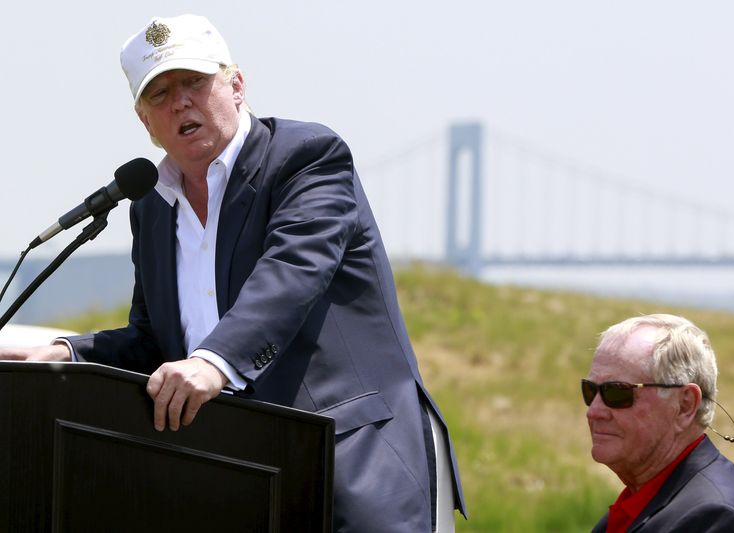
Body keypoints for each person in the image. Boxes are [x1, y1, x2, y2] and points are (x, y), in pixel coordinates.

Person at [0, 14, 465, 532]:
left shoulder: (306, 157)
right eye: (159, 93)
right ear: (144, 123)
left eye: (195, 82)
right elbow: (156, 340)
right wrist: (64, 354)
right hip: (238, 477)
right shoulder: (150, 209)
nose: (180, 102)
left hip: (355, 466)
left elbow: (293, 271)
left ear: (237, 85)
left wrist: (214, 363)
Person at [583, 314, 734, 532]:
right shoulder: (646, 500)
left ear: (685, 405)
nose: (594, 411)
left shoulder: (714, 519)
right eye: (590, 391)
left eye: (616, 392)